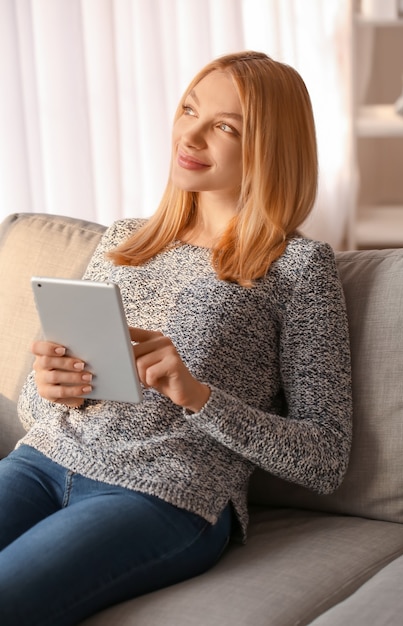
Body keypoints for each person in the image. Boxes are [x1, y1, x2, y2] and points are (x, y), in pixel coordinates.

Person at [0, 51, 352, 625]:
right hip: (42, 461)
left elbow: (325, 457)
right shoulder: (123, 239)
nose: (190, 133)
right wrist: (51, 386)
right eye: (189, 109)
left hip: (165, 494)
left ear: (267, 148)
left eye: (224, 126)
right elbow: (37, 404)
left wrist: (199, 397)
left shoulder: (298, 268)